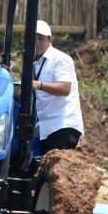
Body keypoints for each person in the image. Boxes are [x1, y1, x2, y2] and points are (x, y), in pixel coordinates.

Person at [31, 20, 84, 154]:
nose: (36, 42)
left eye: (40, 39)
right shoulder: (35, 63)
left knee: (56, 165)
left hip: (62, 126)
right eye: (33, 38)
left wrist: (39, 85)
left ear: (50, 40)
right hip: (46, 128)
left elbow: (65, 88)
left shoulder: (60, 59)